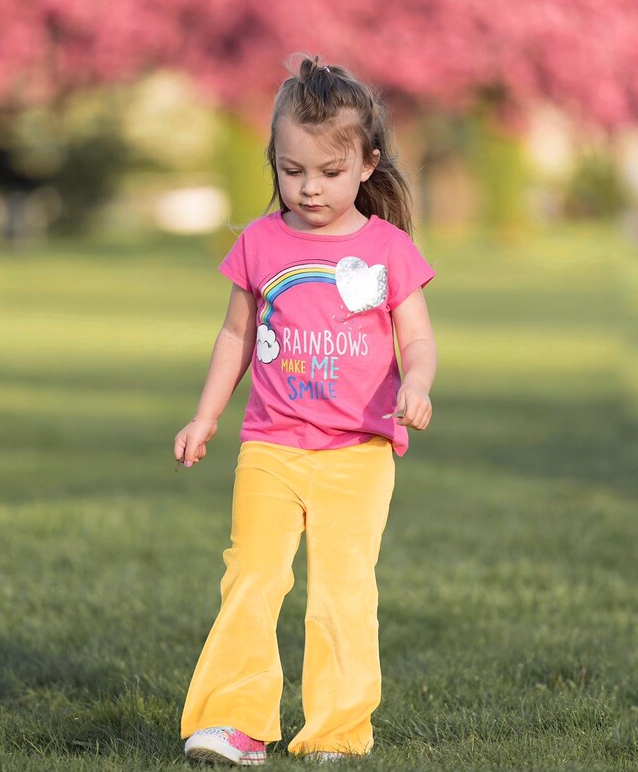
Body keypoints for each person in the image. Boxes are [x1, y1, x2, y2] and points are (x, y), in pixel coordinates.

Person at [173, 55, 437, 765]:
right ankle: (232, 720)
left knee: (342, 590)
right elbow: (234, 335)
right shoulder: (260, 243)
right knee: (251, 576)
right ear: (274, 162)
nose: (309, 188)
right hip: (271, 447)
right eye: (293, 171)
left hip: (358, 454)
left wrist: (417, 382)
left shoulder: (388, 249)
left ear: (366, 165)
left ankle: (336, 731)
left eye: (327, 171)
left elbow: (416, 334)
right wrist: (206, 416)